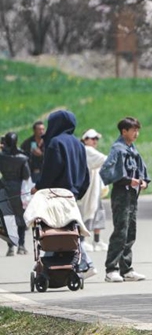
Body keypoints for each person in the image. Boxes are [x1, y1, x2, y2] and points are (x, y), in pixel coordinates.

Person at [33, 110, 94, 277]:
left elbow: (50, 172)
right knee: (71, 231)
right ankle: (74, 263)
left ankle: (79, 263)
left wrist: (38, 187)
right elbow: (86, 175)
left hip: (55, 196)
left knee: (54, 233)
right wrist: (77, 193)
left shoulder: (55, 143)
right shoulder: (79, 144)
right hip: (72, 196)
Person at [100, 117, 150, 283]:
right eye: (133, 130)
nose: (136, 133)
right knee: (120, 231)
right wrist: (129, 180)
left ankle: (126, 269)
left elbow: (141, 170)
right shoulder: (118, 149)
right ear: (124, 131)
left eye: (137, 130)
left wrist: (143, 181)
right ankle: (111, 269)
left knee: (131, 232)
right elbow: (108, 172)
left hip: (132, 195)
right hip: (121, 194)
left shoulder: (132, 149)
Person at [0, 132, 31, 256]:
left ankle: (11, 246)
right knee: (21, 217)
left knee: (8, 217)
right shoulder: (22, 158)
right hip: (19, 189)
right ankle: (21, 245)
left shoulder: (1, 157)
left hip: (4, 187)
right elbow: (26, 175)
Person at [79, 129, 109, 252]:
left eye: (96, 139)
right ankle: (83, 241)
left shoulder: (90, 150)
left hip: (96, 187)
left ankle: (96, 240)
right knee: (88, 212)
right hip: (89, 187)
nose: (95, 141)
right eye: (92, 138)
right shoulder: (86, 150)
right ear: (85, 140)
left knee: (98, 213)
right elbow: (104, 159)